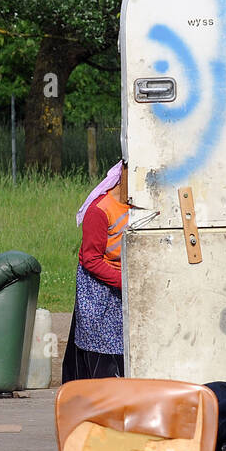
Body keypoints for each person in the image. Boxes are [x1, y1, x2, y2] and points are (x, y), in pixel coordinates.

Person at [62, 160, 128, 381]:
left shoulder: (139, 208)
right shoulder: (100, 210)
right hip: (100, 290)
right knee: (102, 353)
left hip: (125, 284)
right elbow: (91, 259)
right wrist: (124, 281)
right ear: (124, 175)